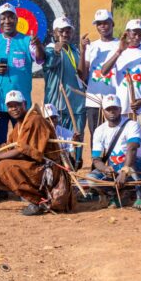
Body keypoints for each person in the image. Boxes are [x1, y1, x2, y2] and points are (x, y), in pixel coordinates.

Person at [0, 91, 72, 216]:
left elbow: (21, 151)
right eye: (10, 106)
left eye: (17, 105)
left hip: (48, 170)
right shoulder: (19, 126)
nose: (14, 109)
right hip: (36, 168)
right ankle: (36, 197)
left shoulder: (35, 120)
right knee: (3, 165)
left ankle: (39, 201)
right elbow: (7, 149)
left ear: (24, 104)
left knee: (5, 166)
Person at [100, 19, 141, 177]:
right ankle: (126, 180)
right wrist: (119, 51)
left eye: (140, 34)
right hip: (122, 107)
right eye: (134, 33)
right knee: (122, 145)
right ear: (127, 33)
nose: (137, 37)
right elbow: (104, 71)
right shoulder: (118, 50)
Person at [0, 3, 45, 144]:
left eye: (10, 17)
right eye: (3, 18)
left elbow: (40, 59)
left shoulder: (27, 41)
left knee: (23, 143)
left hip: (21, 105)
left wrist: (38, 45)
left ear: (16, 19)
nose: (7, 21)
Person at [87, 95, 141, 210]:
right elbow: (96, 159)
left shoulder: (132, 125)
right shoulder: (99, 130)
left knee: (134, 163)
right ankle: (119, 195)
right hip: (115, 168)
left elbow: (132, 149)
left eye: (115, 108)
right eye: (108, 109)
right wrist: (105, 169)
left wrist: (124, 171)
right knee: (91, 178)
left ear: (120, 109)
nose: (112, 112)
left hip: (135, 166)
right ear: (103, 111)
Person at [43, 16, 85, 168]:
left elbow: (81, 73)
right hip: (58, 103)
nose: (65, 34)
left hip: (77, 104)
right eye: (61, 31)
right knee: (57, 140)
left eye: (68, 31)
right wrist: (56, 51)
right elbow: (49, 64)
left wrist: (84, 49)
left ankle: (76, 166)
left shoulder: (74, 50)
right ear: (55, 33)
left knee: (76, 138)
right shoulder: (50, 49)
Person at [78, 9, 119, 137]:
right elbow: (83, 76)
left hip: (115, 100)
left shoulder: (120, 45)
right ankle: (96, 158)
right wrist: (83, 51)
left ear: (112, 23)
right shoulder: (92, 46)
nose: (102, 26)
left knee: (115, 136)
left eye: (105, 23)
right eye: (99, 23)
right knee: (96, 136)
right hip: (94, 100)